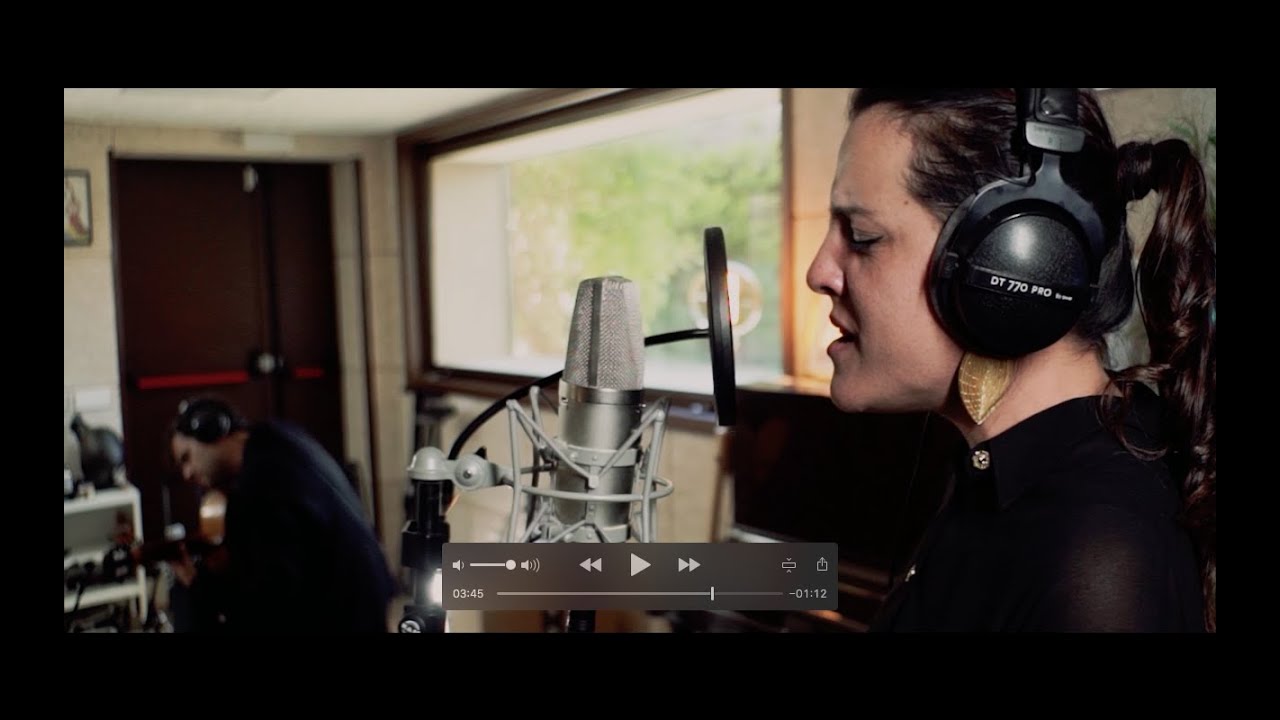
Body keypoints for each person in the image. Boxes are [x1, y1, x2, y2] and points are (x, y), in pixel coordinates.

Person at [806, 89, 1214, 632]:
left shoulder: (1099, 562)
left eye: (862, 237)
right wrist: (697, 574)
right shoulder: (997, 467)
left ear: (1017, 259)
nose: (818, 272)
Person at [167, 397, 396, 632]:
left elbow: (269, 602)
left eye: (187, 458)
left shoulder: (261, 480)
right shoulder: (280, 443)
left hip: (339, 615)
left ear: (212, 430)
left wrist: (198, 585)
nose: (187, 473)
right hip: (363, 602)